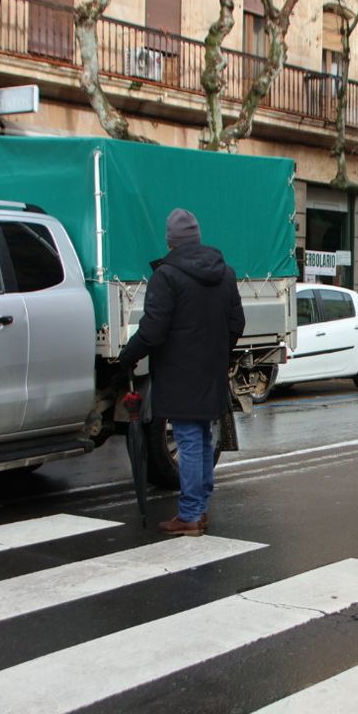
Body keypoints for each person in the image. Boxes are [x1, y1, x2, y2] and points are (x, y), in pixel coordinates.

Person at [117, 208, 245, 537]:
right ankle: (198, 511)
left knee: (189, 441)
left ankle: (190, 515)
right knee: (202, 439)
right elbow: (237, 324)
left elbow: (153, 330)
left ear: (170, 241)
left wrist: (128, 355)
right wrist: (218, 352)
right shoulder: (225, 273)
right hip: (211, 371)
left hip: (178, 373)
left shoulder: (167, 276)